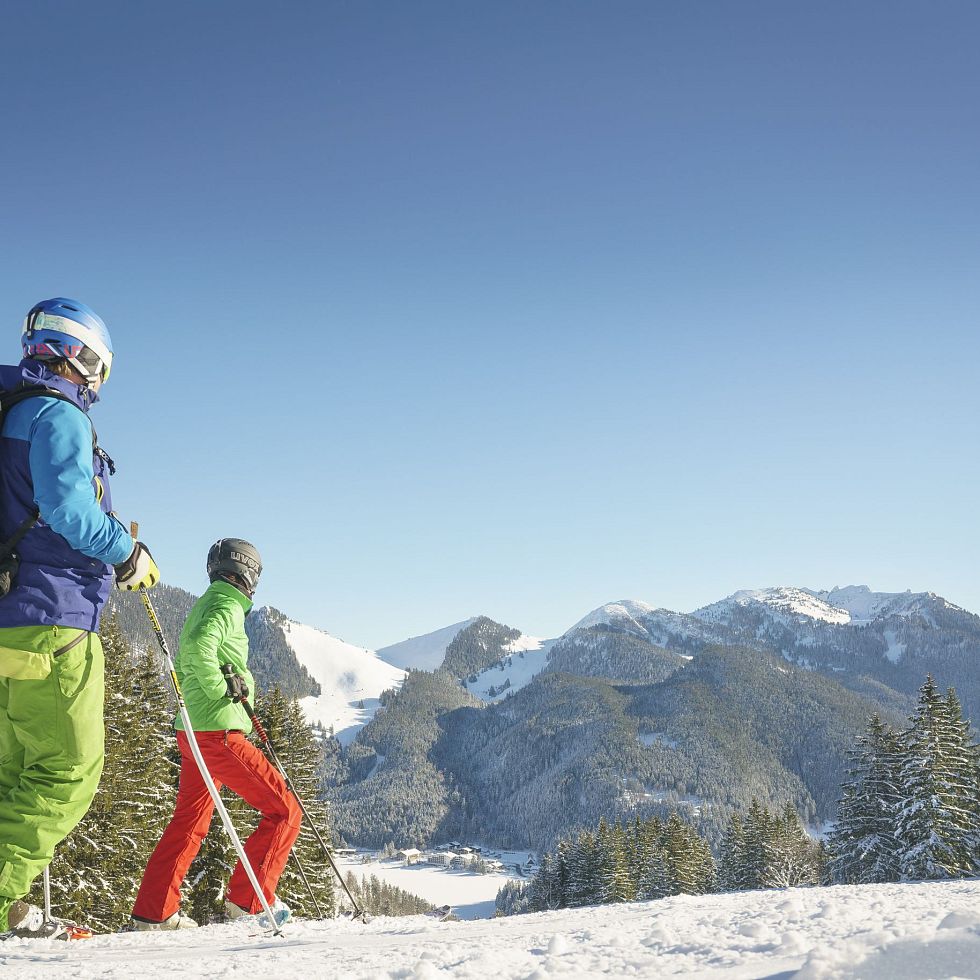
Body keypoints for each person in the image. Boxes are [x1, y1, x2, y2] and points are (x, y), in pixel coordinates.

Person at [0, 298, 159, 940]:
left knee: (14, 770)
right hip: (54, 618)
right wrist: (128, 552)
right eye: (99, 369)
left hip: (10, 620)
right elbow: (68, 510)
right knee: (68, 770)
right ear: (82, 356)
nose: (97, 384)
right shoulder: (57, 415)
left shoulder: (8, 411)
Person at [130, 538, 301, 931]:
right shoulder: (225, 604)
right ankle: (249, 903)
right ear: (249, 571)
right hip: (217, 733)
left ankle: (155, 913)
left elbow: (199, 648)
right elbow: (195, 646)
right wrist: (221, 688)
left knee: (189, 822)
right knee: (284, 810)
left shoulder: (213, 601)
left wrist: (222, 685)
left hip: (195, 732)